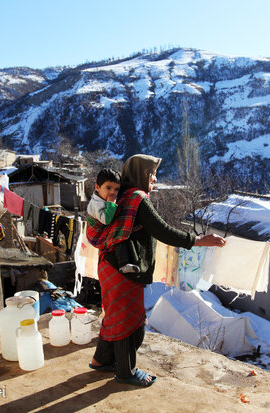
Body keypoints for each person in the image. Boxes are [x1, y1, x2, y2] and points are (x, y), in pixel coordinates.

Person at [87, 154, 226, 387]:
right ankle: (125, 371)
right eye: (151, 174)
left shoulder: (121, 196)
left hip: (110, 266)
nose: (155, 178)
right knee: (128, 323)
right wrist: (201, 240)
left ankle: (101, 360)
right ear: (141, 174)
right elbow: (164, 231)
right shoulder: (137, 199)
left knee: (114, 315)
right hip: (125, 271)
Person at [87, 168, 139, 274]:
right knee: (118, 234)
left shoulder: (102, 198)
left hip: (102, 228)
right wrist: (111, 203)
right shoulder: (96, 203)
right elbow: (106, 220)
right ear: (97, 187)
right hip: (95, 235)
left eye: (116, 189)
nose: (112, 192)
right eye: (108, 188)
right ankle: (123, 264)